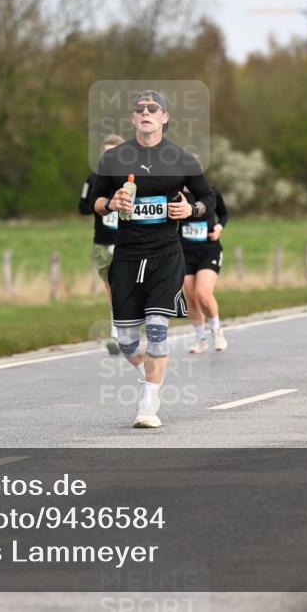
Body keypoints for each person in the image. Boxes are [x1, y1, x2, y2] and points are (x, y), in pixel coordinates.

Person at [92, 90, 214, 428]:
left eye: (153, 108)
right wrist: (110, 205)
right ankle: (149, 375)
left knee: (158, 330)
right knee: (128, 341)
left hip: (166, 254)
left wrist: (192, 209)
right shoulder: (114, 159)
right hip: (127, 255)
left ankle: (149, 402)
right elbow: (96, 201)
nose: (145, 112)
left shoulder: (181, 159)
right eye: (139, 109)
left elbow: (208, 197)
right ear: (133, 118)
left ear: (165, 117)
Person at [79, 134, 125, 355]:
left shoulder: (131, 178)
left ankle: (123, 331)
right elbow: (82, 206)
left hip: (127, 240)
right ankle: (118, 332)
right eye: (105, 151)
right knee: (111, 290)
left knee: (126, 287)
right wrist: (103, 204)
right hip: (102, 241)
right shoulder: (93, 179)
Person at [181, 185, 229, 353]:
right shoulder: (174, 193)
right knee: (191, 297)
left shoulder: (211, 192)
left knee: (203, 293)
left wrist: (219, 228)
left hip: (209, 250)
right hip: (185, 252)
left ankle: (216, 330)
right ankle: (200, 338)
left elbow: (224, 214)